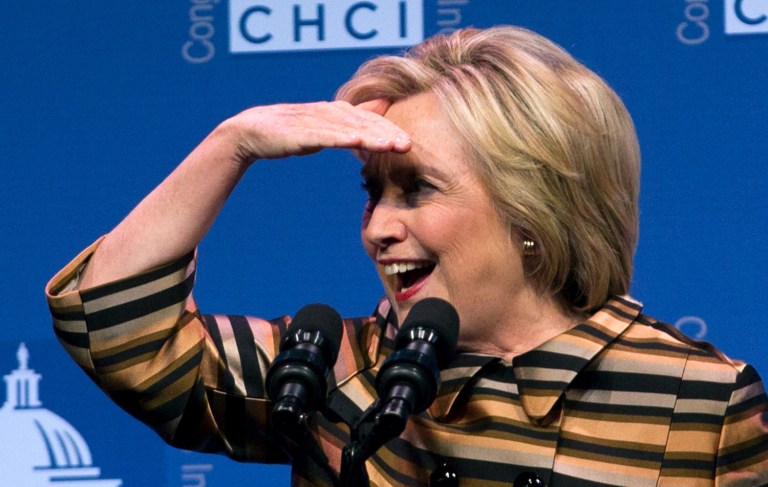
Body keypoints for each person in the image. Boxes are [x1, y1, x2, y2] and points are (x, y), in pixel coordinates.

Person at [46, 26, 768, 486]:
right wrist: (229, 144)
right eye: (373, 192)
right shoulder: (333, 366)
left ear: (533, 210)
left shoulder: (697, 400)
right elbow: (112, 327)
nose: (378, 227)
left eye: (416, 189)